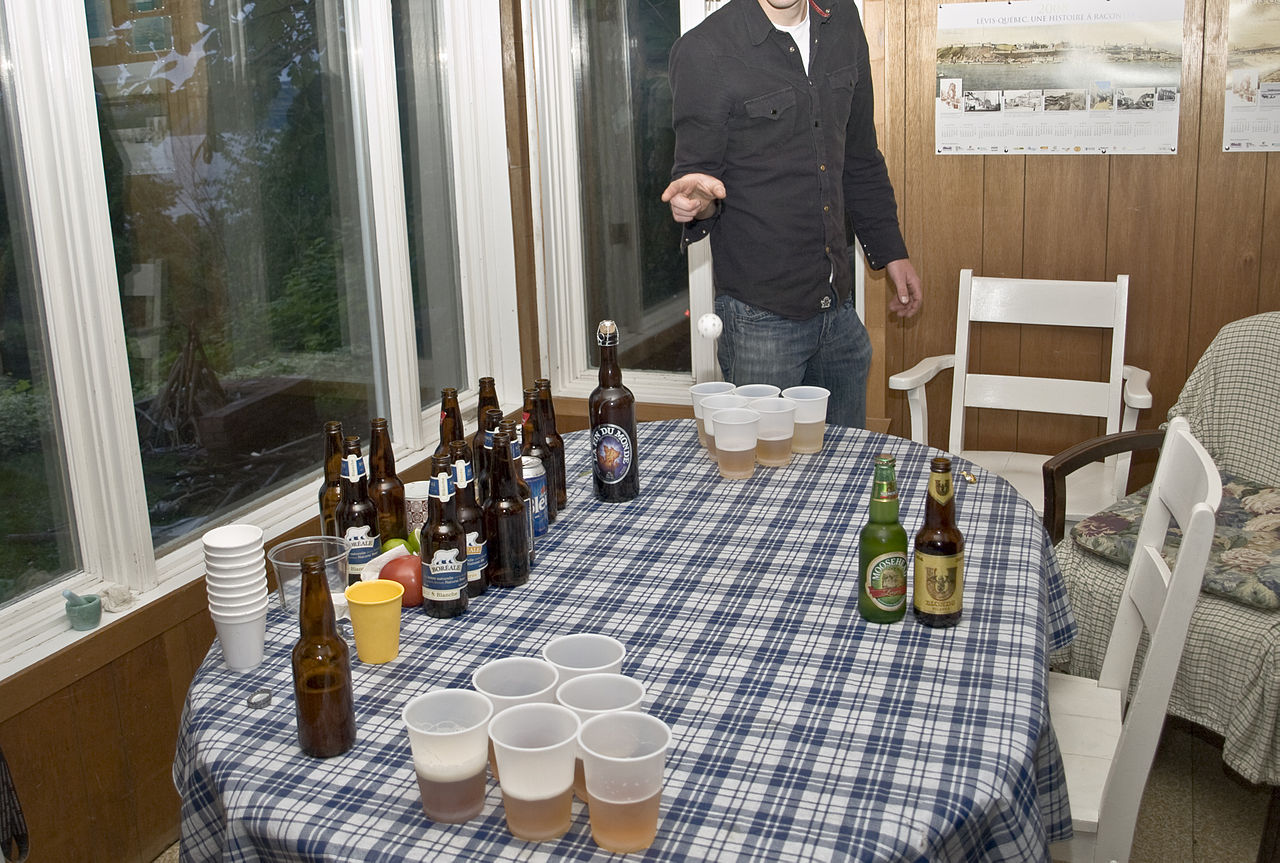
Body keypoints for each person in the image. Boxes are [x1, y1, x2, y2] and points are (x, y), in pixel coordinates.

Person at [662, 0, 922, 428]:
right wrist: (695, 203)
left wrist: (892, 253)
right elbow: (697, 181)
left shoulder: (842, 20)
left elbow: (859, 156)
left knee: (843, 477)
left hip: (839, 312)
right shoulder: (703, 50)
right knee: (763, 483)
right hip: (759, 322)